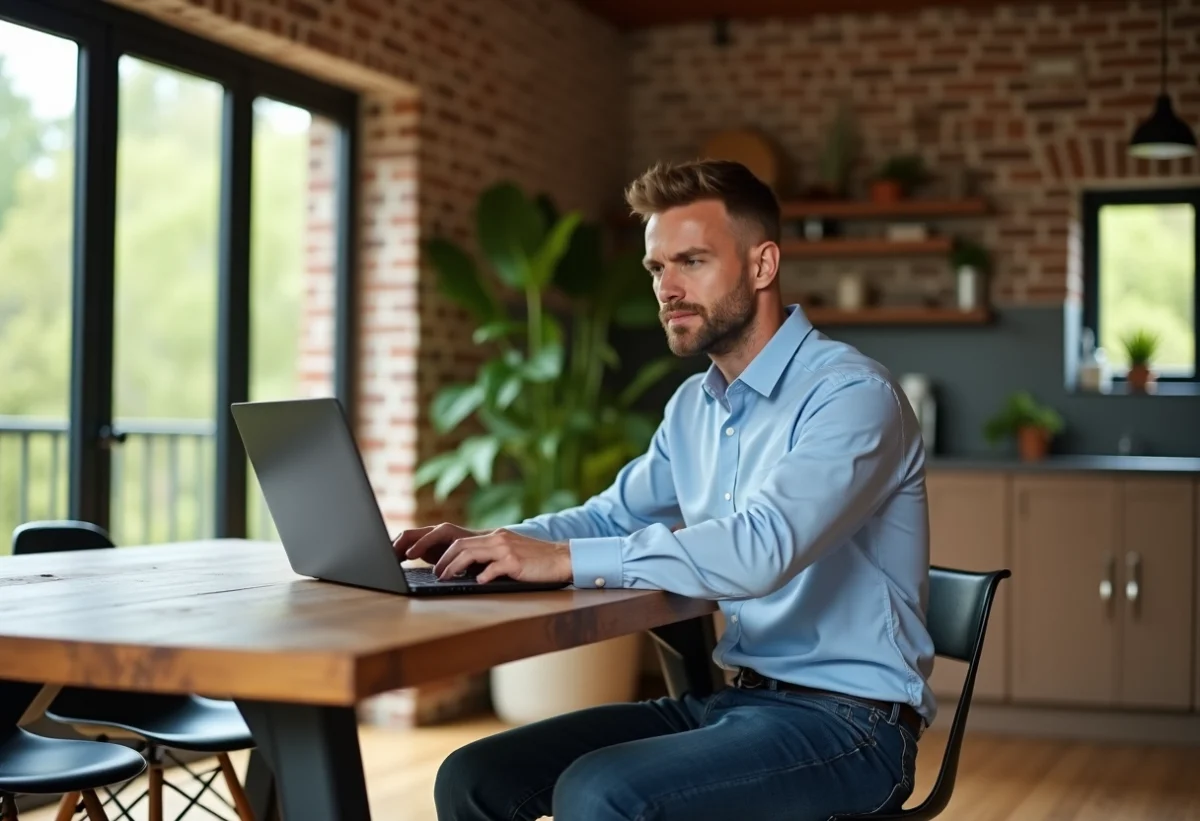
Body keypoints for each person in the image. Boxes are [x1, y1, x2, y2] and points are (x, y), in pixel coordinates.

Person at [395, 159, 935, 821]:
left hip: (852, 727)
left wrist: (562, 560)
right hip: (739, 699)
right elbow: (613, 515)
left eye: (692, 261)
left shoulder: (851, 395)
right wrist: (500, 543)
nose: (667, 288)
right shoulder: (693, 407)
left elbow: (760, 549)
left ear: (763, 265)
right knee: (474, 776)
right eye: (656, 268)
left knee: (600, 792)